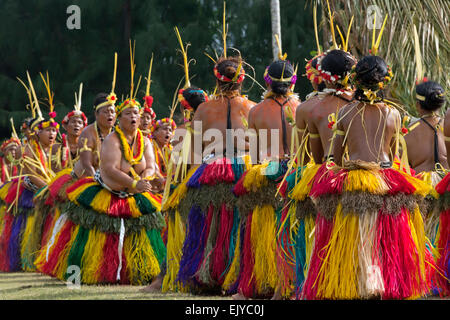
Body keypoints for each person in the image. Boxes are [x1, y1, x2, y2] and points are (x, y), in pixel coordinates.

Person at [301, 55, 431, 299]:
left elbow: (335, 159)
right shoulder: (393, 114)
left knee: (360, 245)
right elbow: (393, 156)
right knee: (385, 245)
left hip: (356, 182)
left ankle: (362, 287)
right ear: (382, 82)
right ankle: (380, 286)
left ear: (355, 81)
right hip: (387, 181)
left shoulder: (345, 113)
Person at [35, 97, 166, 285]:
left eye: (136, 113)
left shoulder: (145, 141)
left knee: (137, 233)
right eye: (128, 114)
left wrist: (144, 179)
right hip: (106, 191)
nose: (133, 117)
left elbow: (151, 166)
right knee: (97, 237)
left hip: (134, 193)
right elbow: (110, 169)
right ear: (120, 119)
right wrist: (133, 182)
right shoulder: (111, 140)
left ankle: (137, 272)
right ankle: (87, 274)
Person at [171, 54, 255, 294]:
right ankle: (239, 276)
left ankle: (208, 276)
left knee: (211, 225)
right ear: (241, 80)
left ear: (217, 81)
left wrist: (189, 181)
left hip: (212, 169)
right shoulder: (251, 107)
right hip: (244, 166)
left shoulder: (204, 109)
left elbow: (195, 154)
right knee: (240, 225)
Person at [231, 57, 300, 299]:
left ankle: (261, 284)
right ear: (292, 81)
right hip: (295, 172)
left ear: (267, 81)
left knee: (261, 231)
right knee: (290, 230)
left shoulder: (257, 111)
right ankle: (289, 286)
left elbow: (257, 152)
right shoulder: (299, 109)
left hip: (269, 170)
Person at [72, 92, 116, 178]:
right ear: (96, 114)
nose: (110, 114)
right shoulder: (87, 133)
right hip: (86, 179)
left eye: (112, 111)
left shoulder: (117, 134)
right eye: (106, 112)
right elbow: (87, 165)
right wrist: (98, 182)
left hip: (109, 182)